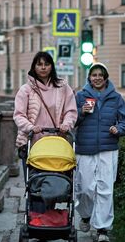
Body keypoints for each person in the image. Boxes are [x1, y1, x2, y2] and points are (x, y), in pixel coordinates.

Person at [74, 62, 125, 242]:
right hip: (85, 147)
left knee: (105, 188)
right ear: (89, 78)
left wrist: (118, 129)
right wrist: (81, 112)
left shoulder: (116, 98)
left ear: (106, 77)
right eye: (94, 75)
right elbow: (70, 121)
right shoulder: (80, 96)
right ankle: (85, 215)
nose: (98, 78)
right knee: (84, 187)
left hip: (108, 148)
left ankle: (102, 228)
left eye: (101, 75)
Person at [13, 50, 78, 187]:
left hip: (57, 144)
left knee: (57, 183)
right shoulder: (26, 90)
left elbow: (71, 111)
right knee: (35, 184)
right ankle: (37, 208)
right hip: (32, 142)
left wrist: (66, 124)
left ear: (52, 66)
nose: (43, 67)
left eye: (46, 64)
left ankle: (51, 208)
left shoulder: (62, 88)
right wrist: (31, 127)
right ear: (34, 67)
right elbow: (19, 115)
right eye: (39, 64)